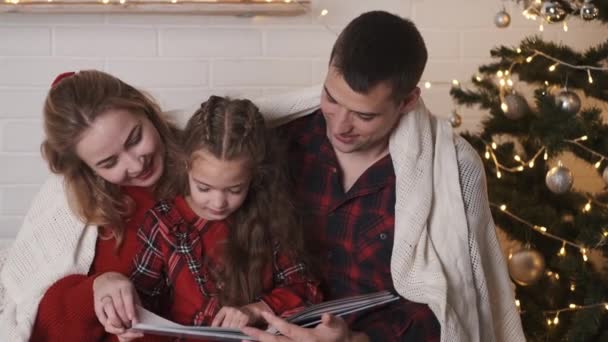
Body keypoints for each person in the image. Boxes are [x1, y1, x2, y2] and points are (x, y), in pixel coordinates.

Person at [242, 11, 525, 342]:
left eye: (364, 115)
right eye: (331, 99)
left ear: (407, 101)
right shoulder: (284, 138)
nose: (339, 125)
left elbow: (453, 306)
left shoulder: (450, 168)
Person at [0, 71, 320, 342]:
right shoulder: (78, 203)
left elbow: (260, 123)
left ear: (146, 110)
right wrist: (97, 287)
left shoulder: (209, 161)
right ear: (86, 168)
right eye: (109, 161)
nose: (135, 163)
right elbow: (34, 316)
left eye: (135, 138)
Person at [106, 96, 321, 340]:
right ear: (185, 167)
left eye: (234, 189)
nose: (218, 203)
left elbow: (305, 289)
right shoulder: (163, 223)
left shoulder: (270, 217)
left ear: (254, 176)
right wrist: (127, 318)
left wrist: (254, 311)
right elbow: (145, 298)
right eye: (204, 188)